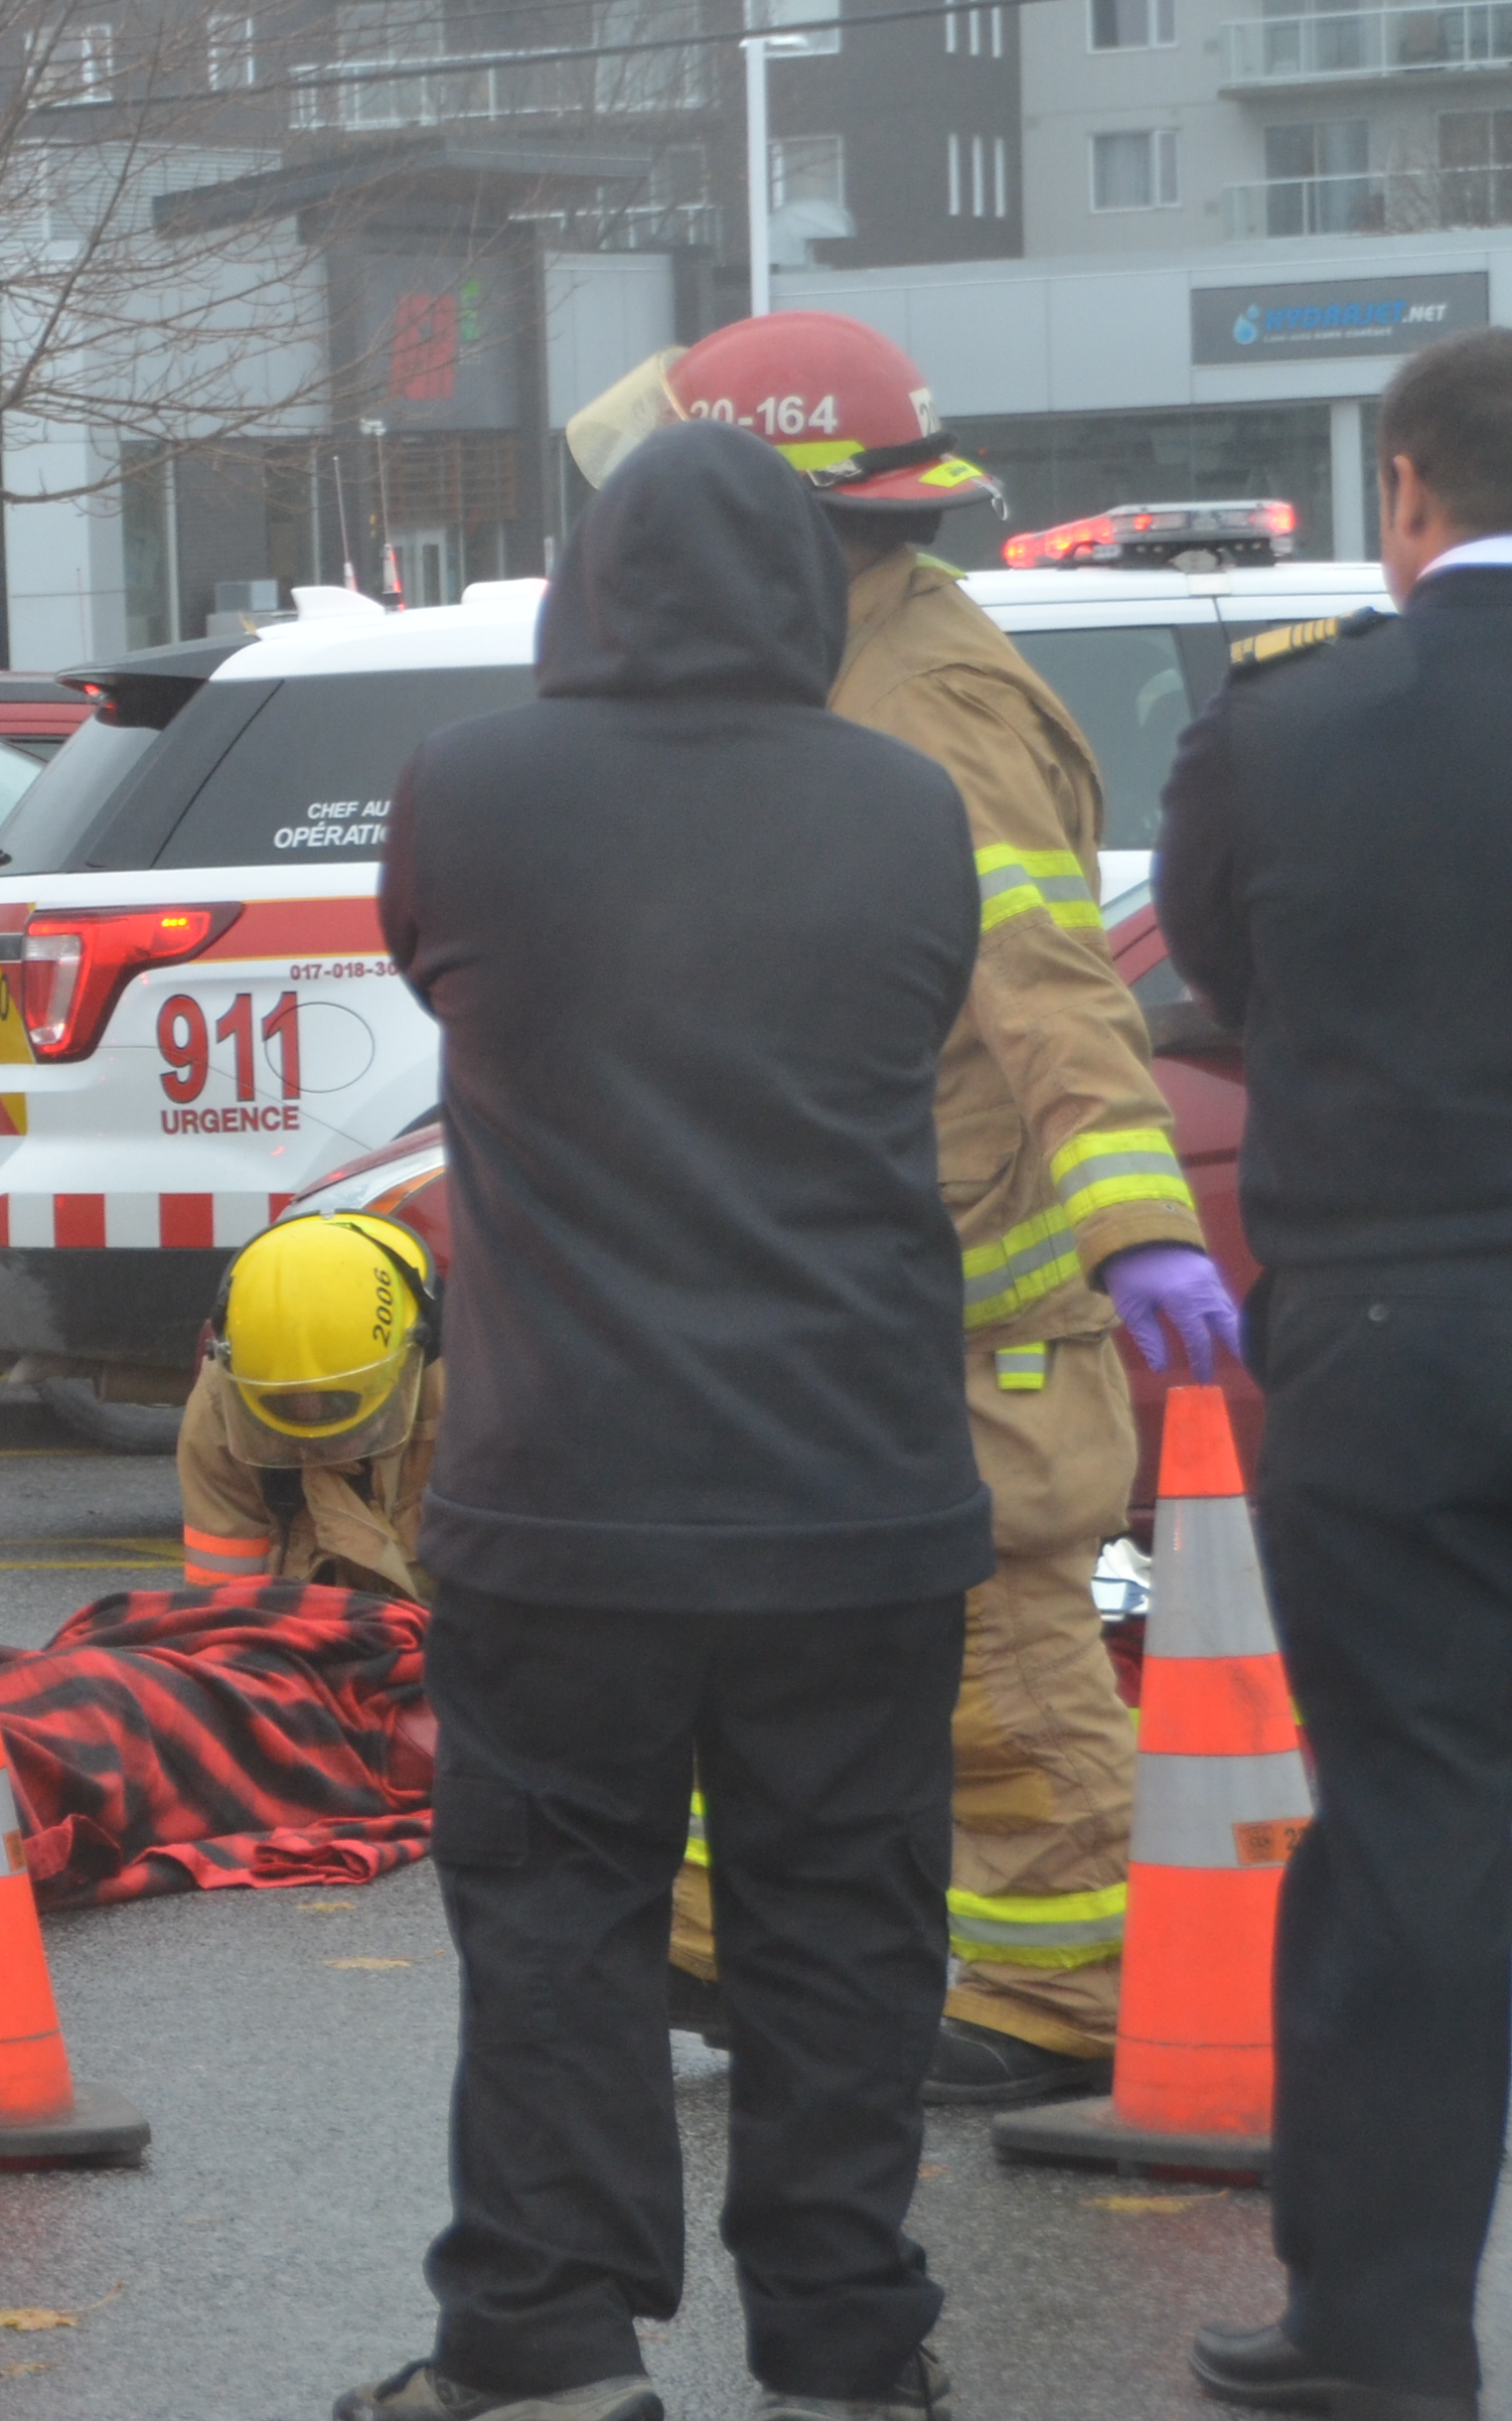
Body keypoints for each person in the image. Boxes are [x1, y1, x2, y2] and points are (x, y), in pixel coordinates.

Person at [344, 419, 988, 2421]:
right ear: (809, 588)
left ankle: (541, 2343)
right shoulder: (905, 806)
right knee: (842, 1923)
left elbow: (437, 976)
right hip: (853, 1486)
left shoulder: (472, 792)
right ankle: (841, 2346)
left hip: (569, 1491)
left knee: (553, 1912)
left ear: (584, 584)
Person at [594, 310, 1231, 2109]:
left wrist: (1134, 1223)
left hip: (968, 1282)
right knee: (754, 1607)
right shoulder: (823, 668)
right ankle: (717, 1930)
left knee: (1000, 1637)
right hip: (826, 1265)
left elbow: (1043, 984)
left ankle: (1070, 1985)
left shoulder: (926, 702)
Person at [1156, 325, 1512, 2421]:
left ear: (1405, 491)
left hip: (1389, 1330)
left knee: (1412, 1830)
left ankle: (1380, 2333)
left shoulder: (1285, 727)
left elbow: (1215, 964)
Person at [180, 1201, 445, 1605]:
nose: (314, 1433)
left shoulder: (480, 1397)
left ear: (404, 1364)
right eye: (285, 1410)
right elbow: (222, 1611)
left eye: (336, 1405)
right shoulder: (220, 1412)